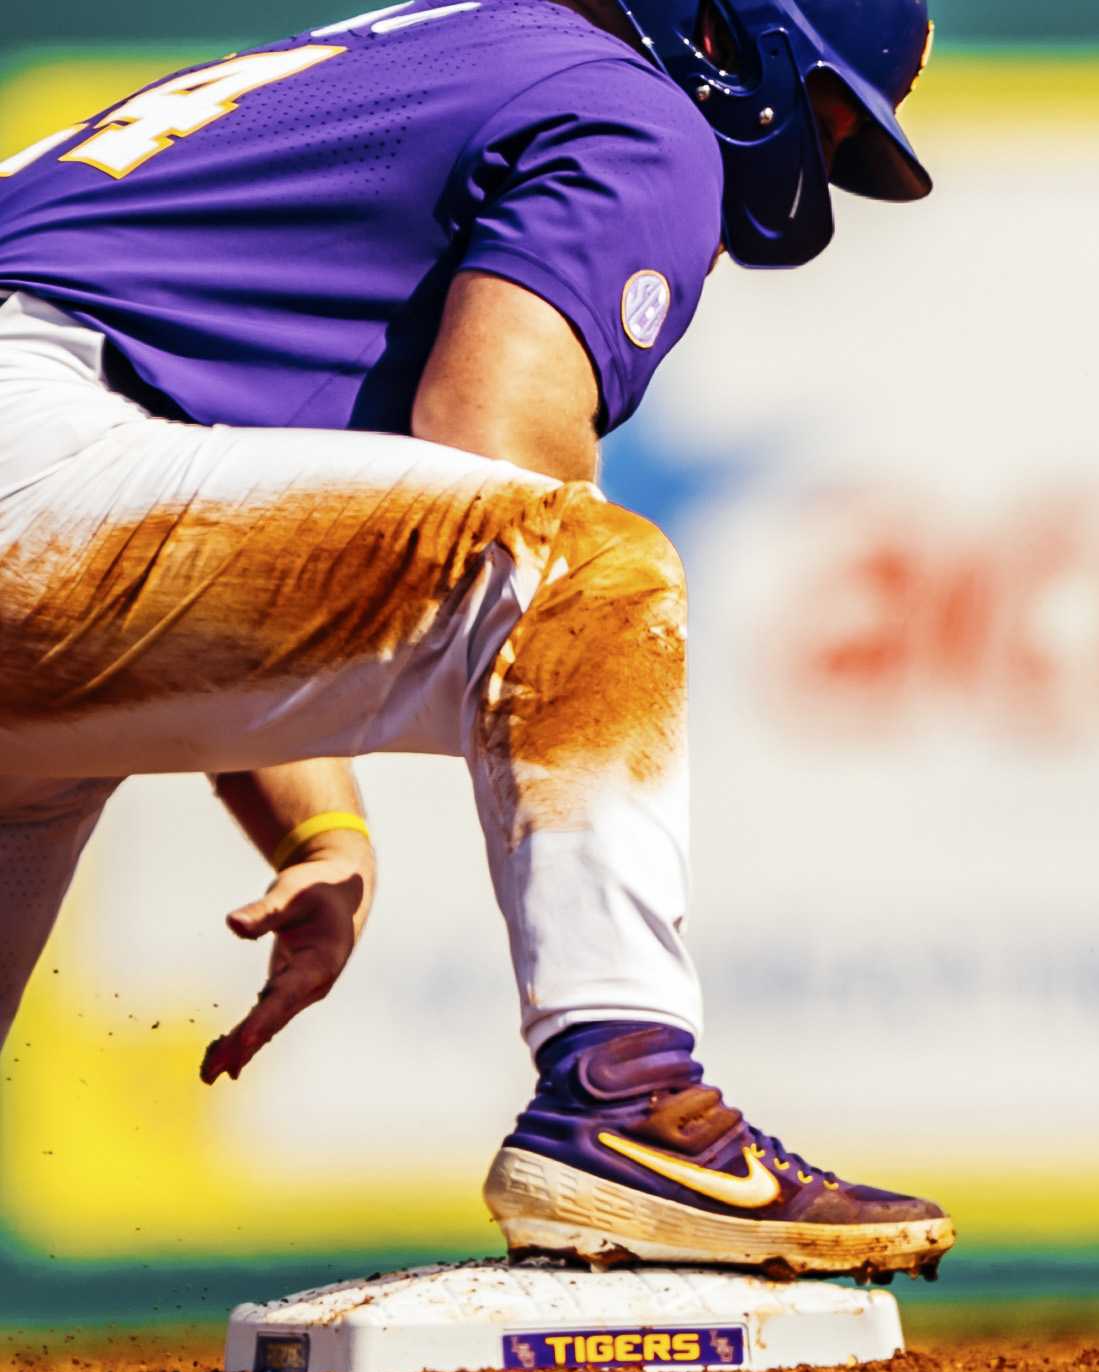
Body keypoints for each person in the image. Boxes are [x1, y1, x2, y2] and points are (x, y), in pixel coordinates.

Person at [0, 0, 953, 1282]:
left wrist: (317, 827)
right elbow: (493, 471)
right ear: (731, 42)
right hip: (32, 449)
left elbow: (174, 511)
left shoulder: (419, 58)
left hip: (47, 485)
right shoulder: (634, 104)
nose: (815, 161)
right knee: (582, 564)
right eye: (828, 117)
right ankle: (627, 1101)